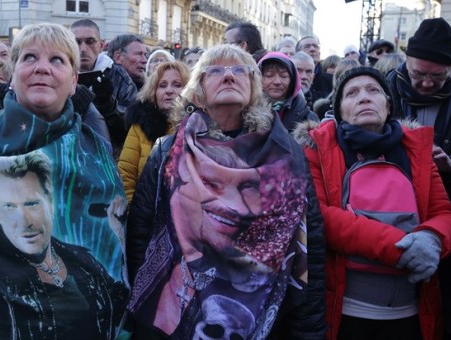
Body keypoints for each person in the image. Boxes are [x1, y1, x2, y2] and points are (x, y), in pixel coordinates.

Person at [0, 23, 129, 339]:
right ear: (13, 74)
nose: (42, 68)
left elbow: (115, 249)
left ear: (74, 81)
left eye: (57, 60)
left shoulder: (94, 150)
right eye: (30, 58)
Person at [127, 44, 326, 339]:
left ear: (253, 87)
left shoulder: (285, 155)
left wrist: (308, 331)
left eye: (239, 70)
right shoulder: (168, 153)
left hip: (269, 323)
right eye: (216, 70)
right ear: (198, 92)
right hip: (176, 320)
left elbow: (310, 246)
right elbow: (141, 237)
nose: (229, 76)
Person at [294, 66, 451, 340]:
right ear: (340, 110)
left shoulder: (416, 151)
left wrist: (433, 239)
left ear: (387, 104)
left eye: (373, 90)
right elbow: (321, 218)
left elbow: (445, 213)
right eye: (352, 93)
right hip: (345, 310)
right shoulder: (316, 150)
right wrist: (400, 250)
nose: (364, 97)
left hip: (410, 312)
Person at [385, 18, 451, 339]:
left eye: (436, 76)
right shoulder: (384, 86)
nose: (425, 83)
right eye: (418, 74)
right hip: (395, 212)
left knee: (445, 304)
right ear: (406, 62)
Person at [118, 61, 189, 203]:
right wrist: (135, 216)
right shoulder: (140, 127)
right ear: (154, 92)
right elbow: (126, 176)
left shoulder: (198, 127)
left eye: (177, 85)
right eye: (162, 85)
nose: (169, 90)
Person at [71, 19, 138, 155]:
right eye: (77, 42)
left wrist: (109, 106)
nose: (83, 49)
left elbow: (132, 127)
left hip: (110, 158)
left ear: (100, 45)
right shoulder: (58, 73)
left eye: (90, 42)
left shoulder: (118, 75)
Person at [257, 52, 318, 132]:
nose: (277, 82)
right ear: (258, 79)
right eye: (269, 75)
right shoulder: (245, 113)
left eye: (284, 76)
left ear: (292, 81)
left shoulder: (308, 118)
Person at [296, 35, 333, 105]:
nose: (312, 49)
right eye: (307, 46)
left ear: (319, 53)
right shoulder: (289, 79)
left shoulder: (331, 80)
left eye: (316, 46)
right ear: (297, 52)